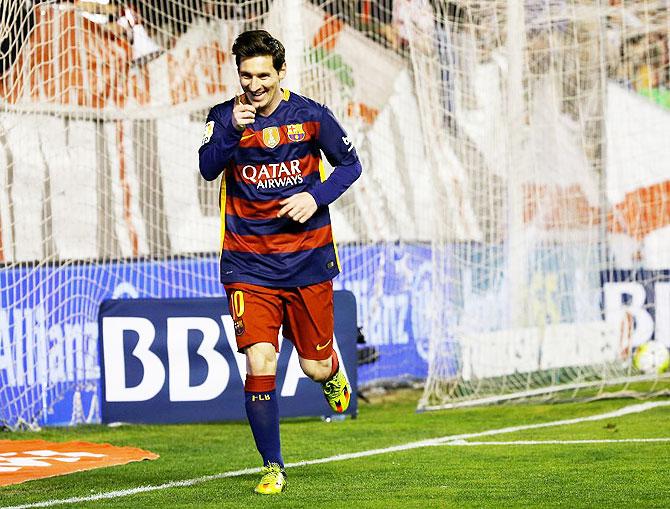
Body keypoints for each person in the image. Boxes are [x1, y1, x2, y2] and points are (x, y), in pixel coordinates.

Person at [198, 30, 362, 495]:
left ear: (281, 72)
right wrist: (230, 125)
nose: (254, 85)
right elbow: (209, 167)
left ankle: (330, 365)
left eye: (263, 76)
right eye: (246, 76)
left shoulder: (310, 116)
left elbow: (350, 166)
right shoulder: (224, 117)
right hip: (248, 264)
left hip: (308, 261)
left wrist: (315, 196)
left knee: (312, 368)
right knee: (259, 359)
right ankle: (273, 466)